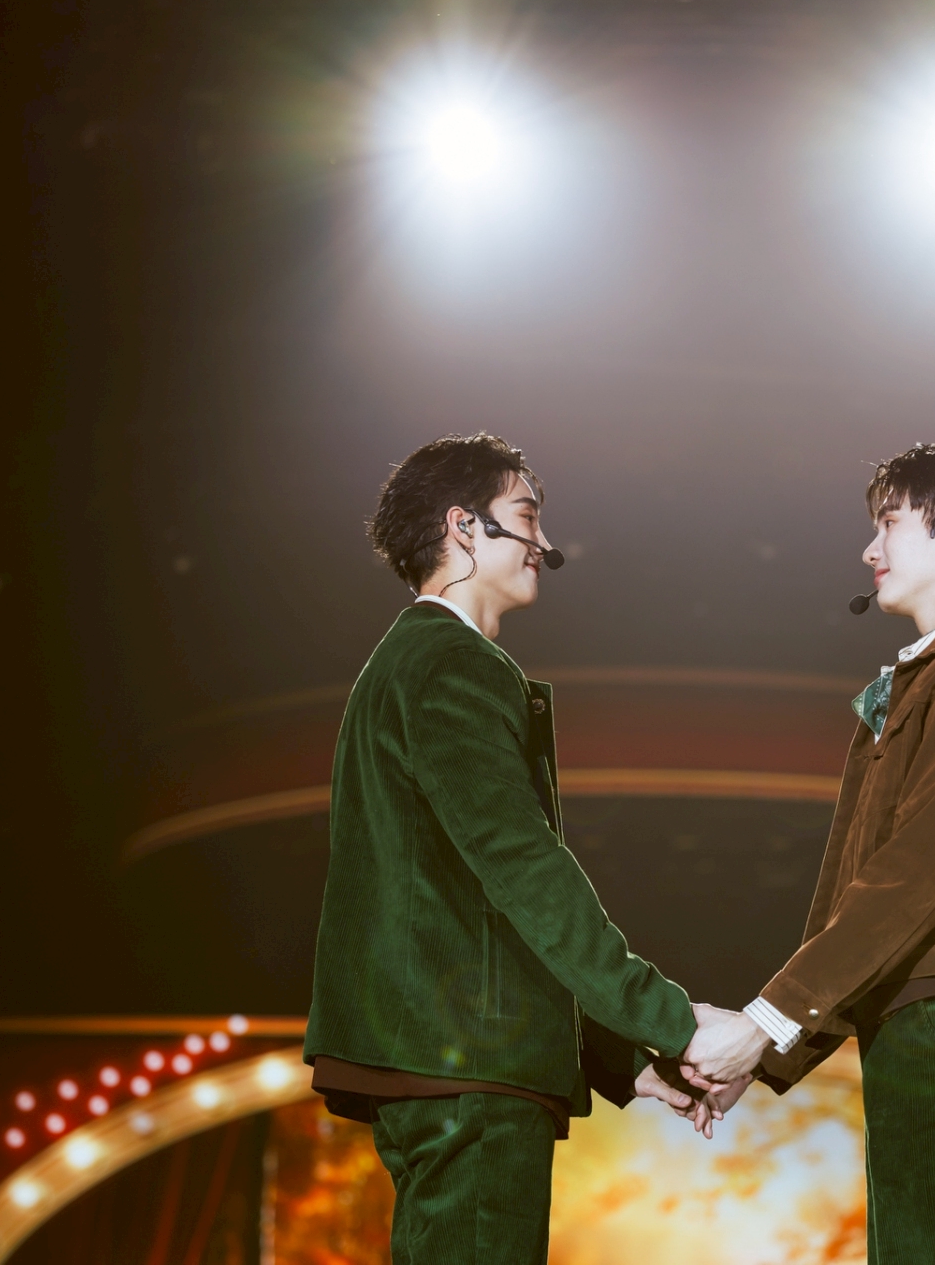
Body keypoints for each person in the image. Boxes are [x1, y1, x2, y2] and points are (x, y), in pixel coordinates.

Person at [306, 432, 718, 1265]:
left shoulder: (410, 661)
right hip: (471, 1066)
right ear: (465, 526)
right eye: (527, 517)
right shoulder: (453, 663)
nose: (544, 543)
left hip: (444, 1058)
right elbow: (524, 871)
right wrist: (669, 1021)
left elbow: (478, 900)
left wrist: (619, 1062)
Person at [682, 442, 935, 1265]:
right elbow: (865, 888)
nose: (869, 550)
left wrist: (764, 1023)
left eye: (889, 523)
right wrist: (771, 1047)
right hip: (926, 1020)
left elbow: (913, 876)